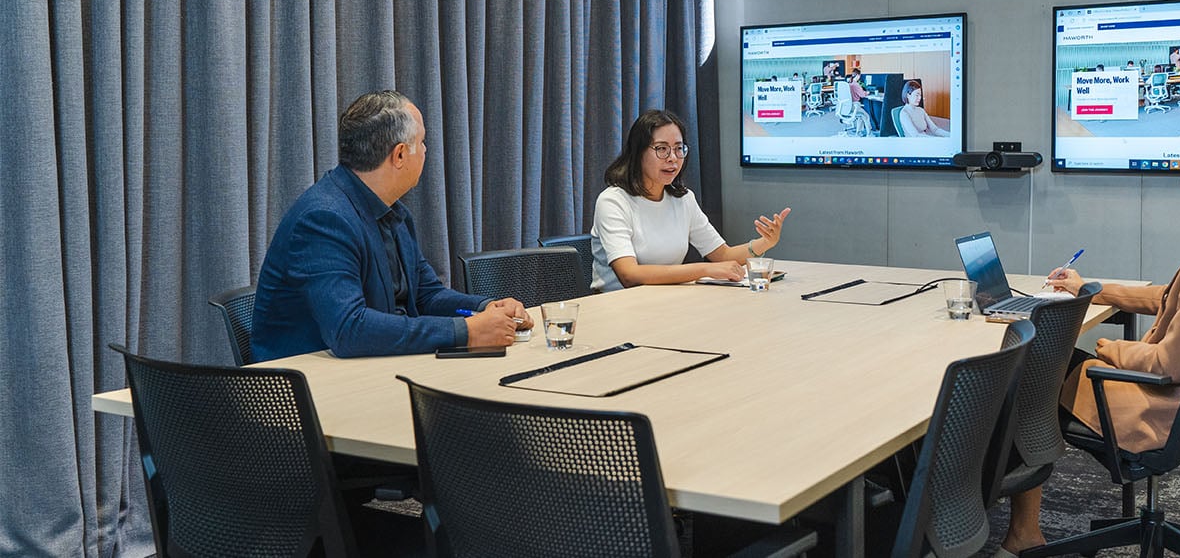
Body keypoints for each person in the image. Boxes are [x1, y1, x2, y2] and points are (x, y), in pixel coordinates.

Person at [994, 123, 1180, 556]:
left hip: (1160, 404)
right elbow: (1172, 299)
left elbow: (1170, 364)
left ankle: (1018, 529)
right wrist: (1091, 290)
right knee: (1045, 366)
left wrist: (1108, 349)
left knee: (1024, 374)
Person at [250, 90, 533, 362]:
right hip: (312, 388)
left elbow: (427, 295)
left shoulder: (393, 212)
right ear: (399, 155)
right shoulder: (324, 219)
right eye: (421, 142)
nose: (425, 151)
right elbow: (349, 329)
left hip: (373, 368)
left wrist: (486, 309)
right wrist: (466, 331)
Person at [590, 109, 792, 292]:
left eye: (679, 149)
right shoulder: (613, 201)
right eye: (662, 149)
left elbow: (722, 255)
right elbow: (630, 275)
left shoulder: (683, 198)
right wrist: (706, 269)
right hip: (618, 307)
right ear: (638, 152)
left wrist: (765, 242)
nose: (673, 158)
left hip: (667, 302)